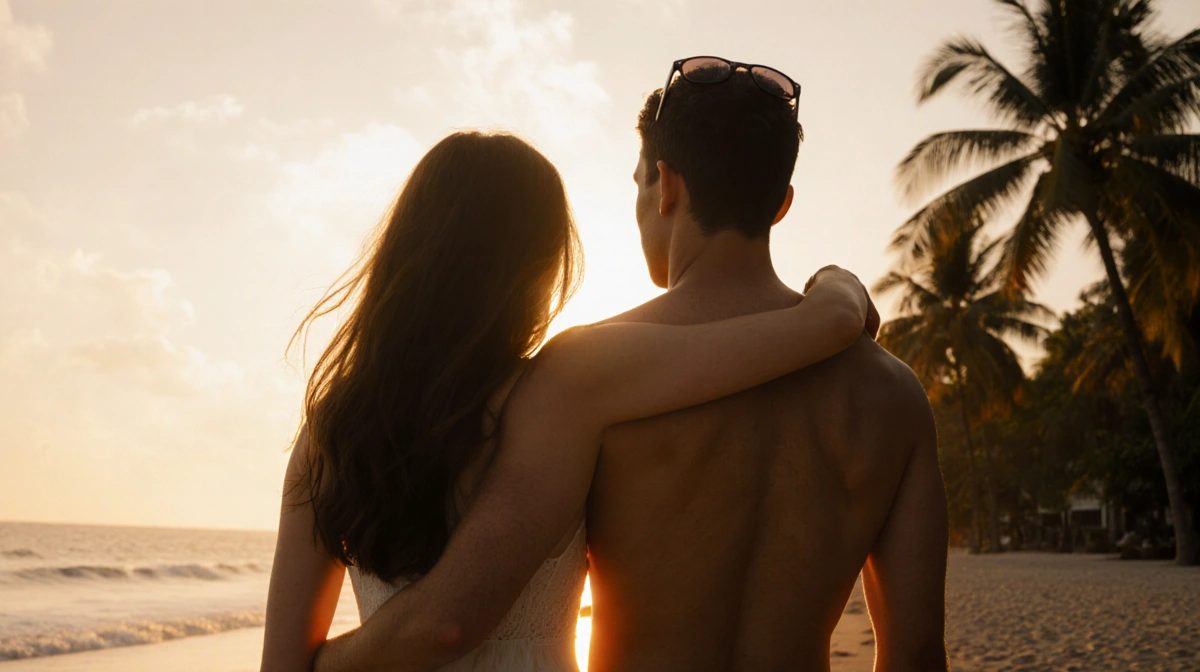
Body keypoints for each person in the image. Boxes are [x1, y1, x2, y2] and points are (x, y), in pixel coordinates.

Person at [312, 58, 950, 672]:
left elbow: (465, 602)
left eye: (638, 182)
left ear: (665, 184)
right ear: (779, 203)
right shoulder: (894, 393)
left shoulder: (586, 371)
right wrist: (837, 287)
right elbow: (916, 654)